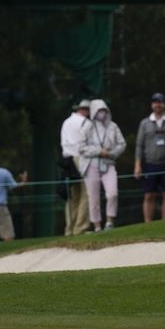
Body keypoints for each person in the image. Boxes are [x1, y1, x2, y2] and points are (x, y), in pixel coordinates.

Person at [78, 99, 126, 231]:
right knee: (93, 197)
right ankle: (97, 225)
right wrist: (99, 151)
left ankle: (110, 221)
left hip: (108, 163)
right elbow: (81, 148)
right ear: (94, 111)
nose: (102, 113)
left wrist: (112, 153)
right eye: (99, 111)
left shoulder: (113, 126)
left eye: (104, 110)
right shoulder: (87, 127)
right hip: (91, 164)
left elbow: (122, 144)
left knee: (112, 193)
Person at [134, 92, 165, 222]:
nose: (158, 105)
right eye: (155, 102)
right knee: (148, 195)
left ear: (164, 104)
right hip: (150, 163)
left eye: (160, 102)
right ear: (152, 105)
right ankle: (148, 223)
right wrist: (137, 165)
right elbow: (139, 145)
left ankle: (164, 222)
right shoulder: (145, 123)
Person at [59, 99, 92, 236]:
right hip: (81, 159)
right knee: (87, 194)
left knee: (73, 196)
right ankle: (81, 228)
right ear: (85, 110)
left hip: (67, 160)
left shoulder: (66, 122)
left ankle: (70, 229)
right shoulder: (87, 123)